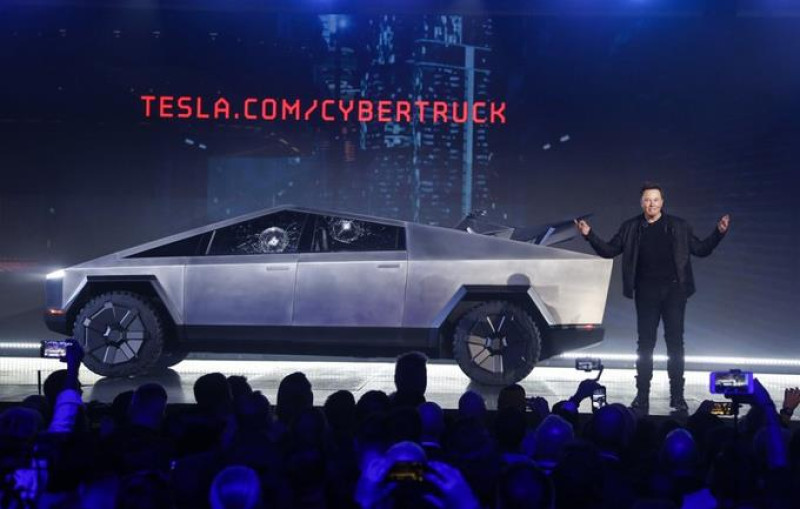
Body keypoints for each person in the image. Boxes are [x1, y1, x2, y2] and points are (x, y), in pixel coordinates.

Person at [574, 183, 729, 413]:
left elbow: (701, 249)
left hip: (675, 292)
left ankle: (677, 397)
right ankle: (642, 396)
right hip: (646, 293)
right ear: (641, 203)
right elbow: (609, 250)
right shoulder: (631, 227)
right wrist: (589, 235)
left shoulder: (679, 226)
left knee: (675, 344)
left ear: (662, 202)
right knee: (645, 345)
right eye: (647, 200)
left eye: (655, 200)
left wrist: (719, 232)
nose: (651, 204)